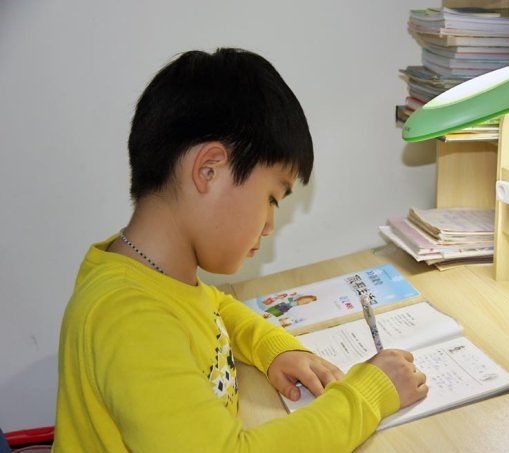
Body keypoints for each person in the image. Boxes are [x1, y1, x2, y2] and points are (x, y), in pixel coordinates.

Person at [52, 48, 428, 453]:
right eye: (271, 198)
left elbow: (214, 307)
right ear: (208, 170)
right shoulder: (129, 320)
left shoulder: (155, 273)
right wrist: (367, 395)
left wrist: (273, 348)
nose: (269, 226)